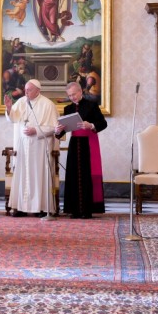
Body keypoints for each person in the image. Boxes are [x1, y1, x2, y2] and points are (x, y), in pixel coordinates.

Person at [4, 79, 58, 217]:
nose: (26, 92)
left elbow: (54, 128)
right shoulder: (21, 102)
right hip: (23, 146)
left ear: (38, 90)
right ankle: (21, 207)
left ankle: (41, 208)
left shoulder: (48, 104)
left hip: (39, 147)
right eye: (25, 89)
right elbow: (13, 119)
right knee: (22, 175)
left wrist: (36, 130)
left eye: (29, 90)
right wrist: (9, 108)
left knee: (38, 176)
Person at [55, 82, 107, 218]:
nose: (72, 97)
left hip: (88, 144)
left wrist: (91, 125)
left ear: (80, 92)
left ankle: (87, 210)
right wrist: (58, 130)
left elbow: (103, 123)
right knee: (73, 175)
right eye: (69, 95)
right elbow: (63, 131)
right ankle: (74, 210)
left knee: (86, 175)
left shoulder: (92, 105)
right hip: (74, 144)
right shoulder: (68, 109)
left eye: (74, 94)